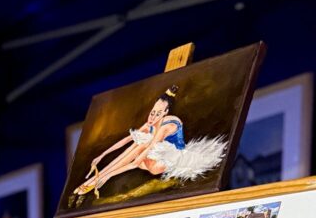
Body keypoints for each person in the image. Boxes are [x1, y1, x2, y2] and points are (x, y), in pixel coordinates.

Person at [71, 85, 226, 204]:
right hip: (151, 158)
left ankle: (94, 181)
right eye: (152, 112)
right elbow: (126, 140)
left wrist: (108, 176)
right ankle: (89, 183)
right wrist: (102, 155)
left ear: (165, 113)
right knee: (137, 142)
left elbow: (136, 162)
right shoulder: (150, 124)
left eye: (158, 114)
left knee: (141, 145)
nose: (153, 117)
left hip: (168, 160)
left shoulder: (166, 127)